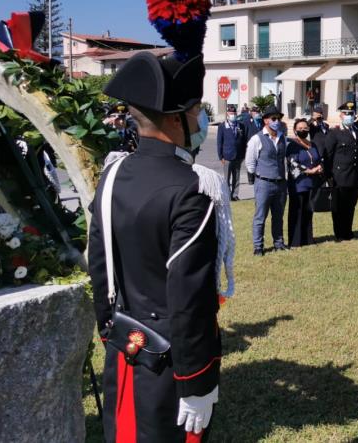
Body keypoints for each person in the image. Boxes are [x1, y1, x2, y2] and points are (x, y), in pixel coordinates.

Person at [90, 58, 222, 438]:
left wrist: (110, 334)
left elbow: (99, 266)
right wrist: (195, 380)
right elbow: (188, 295)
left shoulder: (112, 174)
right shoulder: (192, 189)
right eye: (195, 111)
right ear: (174, 119)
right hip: (173, 358)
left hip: (125, 344)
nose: (200, 120)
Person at [245, 105, 289, 254]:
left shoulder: (283, 137)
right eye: (274, 118)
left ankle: (279, 243)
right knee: (260, 216)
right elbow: (250, 162)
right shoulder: (257, 139)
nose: (277, 121)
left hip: (280, 183)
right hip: (264, 182)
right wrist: (259, 175)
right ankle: (258, 246)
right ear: (265, 120)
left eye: (279, 118)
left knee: (278, 216)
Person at [323, 101, 358, 241]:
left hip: (355, 175)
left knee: (350, 206)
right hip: (339, 176)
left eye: (351, 113)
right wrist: (328, 176)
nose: (349, 116)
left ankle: (348, 232)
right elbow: (328, 155)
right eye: (346, 113)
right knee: (339, 207)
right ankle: (340, 234)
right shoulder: (334, 132)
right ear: (341, 115)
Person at [286, 118, 322, 247]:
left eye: (305, 128)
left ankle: (307, 239)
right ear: (295, 130)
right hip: (298, 184)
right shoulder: (292, 145)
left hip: (311, 184)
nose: (303, 130)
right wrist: (308, 171)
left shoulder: (312, 144)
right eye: (300, 129)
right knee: (297, 211)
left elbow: (318, 158)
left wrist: (319, 167)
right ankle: (295, 241)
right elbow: (292, 163)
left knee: (308, 211)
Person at [216, 105, 247, 201]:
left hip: (238, 156)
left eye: (234, 113)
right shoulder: (222, 126)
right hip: (227, 156)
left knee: (236, 178)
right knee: (226, 178)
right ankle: (227, 195)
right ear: (227, 114)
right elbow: (219, 142)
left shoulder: (240, 125)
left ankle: (234, 195)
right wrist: (221, 156)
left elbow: (244, 141)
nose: (232, 115)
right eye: (231, 113)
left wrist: (243, 155)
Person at [243, 106, 264, 184]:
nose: (257, 114)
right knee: (251, 162)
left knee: (259, 162)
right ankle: (251, 178)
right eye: (255, 112)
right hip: (250, 145)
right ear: (251, 113)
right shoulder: (247, 122)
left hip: (261, 145)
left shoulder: (262, 122)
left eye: (258, 112)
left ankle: (258, 177)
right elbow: (245, 134)